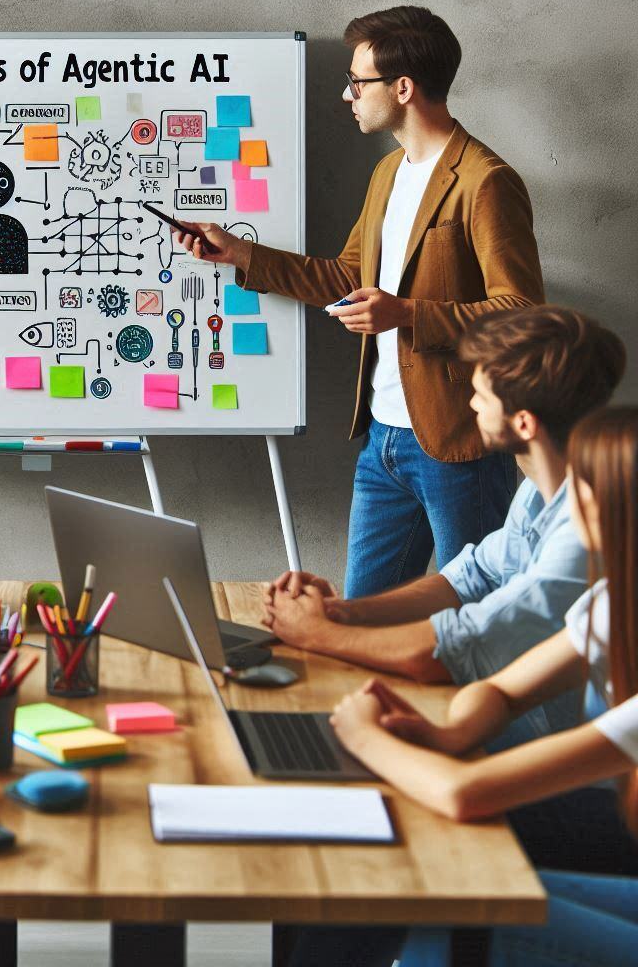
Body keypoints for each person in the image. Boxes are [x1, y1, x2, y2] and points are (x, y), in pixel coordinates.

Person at [175, 5, 544, 598]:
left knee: (472, 621)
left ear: (402, 87)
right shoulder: (388, 174)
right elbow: (347, 276)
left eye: (357, 81)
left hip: (459, 443)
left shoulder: (485, 180)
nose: (348, 95)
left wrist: (406, 315)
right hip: (384, 440)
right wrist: (242, 254)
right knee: (359, 620)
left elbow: (523, 313)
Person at [305, 406, 638, 966]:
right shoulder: (613, 604)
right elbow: (506, 691)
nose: (564, 508)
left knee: (444, 898)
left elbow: (467, 794)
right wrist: (446, 734)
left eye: (578, 493)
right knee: (400, 867)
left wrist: (364, 736)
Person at [262, 307, 625, 750]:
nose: (469, 404)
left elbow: (459, 647)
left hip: (561, 752)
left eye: (481, 396)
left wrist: (318, 634)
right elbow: (472, 577)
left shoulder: (589, 530)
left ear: (524, 423)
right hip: (505, 717)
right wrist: (342, 613)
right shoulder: (541, 489)